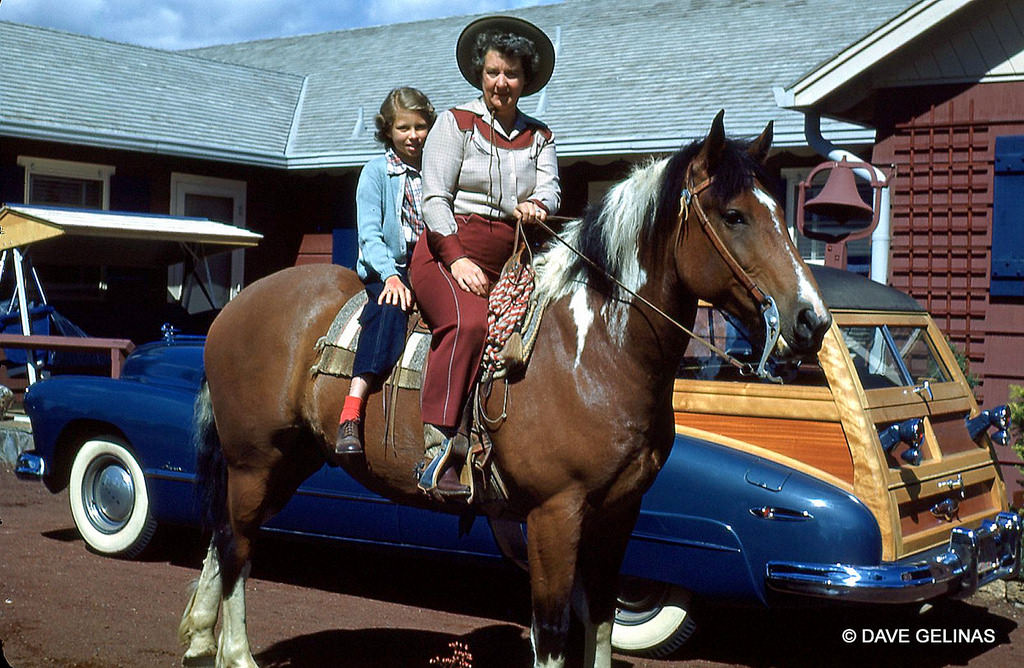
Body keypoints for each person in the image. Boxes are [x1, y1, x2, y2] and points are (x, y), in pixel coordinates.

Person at [409, 16, 560, 495]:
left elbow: (552, 190)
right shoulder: (456, 123)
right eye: (494, 72)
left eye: (512, 74)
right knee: (470, 322)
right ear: (480, 74)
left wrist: (537, 205)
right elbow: (434, 199)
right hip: (445, 250)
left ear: (525, 80)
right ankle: (439, 442)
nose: (502, 83)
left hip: (514, 258)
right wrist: (455, 258)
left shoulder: (540, 136)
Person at [335, 87, 436, 458]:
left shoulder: (436, 171)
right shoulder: (376, 172)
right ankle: (353, 407)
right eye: (404, 128)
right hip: (386, 268)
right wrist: (391, 275)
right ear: (388, 131)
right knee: (389, 309)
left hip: (429, 265)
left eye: (421, 127)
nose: (413, 136)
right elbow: (370, 235)